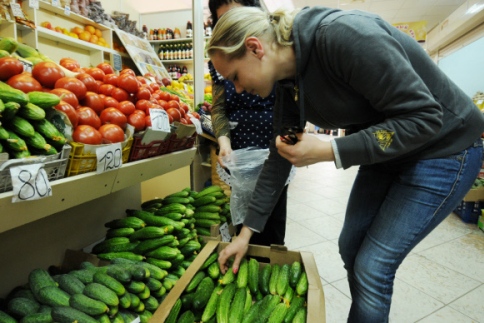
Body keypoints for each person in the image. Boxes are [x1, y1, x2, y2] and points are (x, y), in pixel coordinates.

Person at [207, 6, 484, 322]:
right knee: (351, 246)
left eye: (235, 77)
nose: (237, 90)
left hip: (445, 147)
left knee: (373, 266)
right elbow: (279, 158)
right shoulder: (287, 83)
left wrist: (330, 150)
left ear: (255, 48)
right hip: (391, 149)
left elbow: (425, 118)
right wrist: (245, 236)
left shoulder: (344, 35)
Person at [207, 0, 288, 247]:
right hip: (240, 151)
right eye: (222, 21)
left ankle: (270, 255)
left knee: (273, 214)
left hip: (275, 144)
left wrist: (299, 144)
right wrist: (224, 141)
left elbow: (294, 123)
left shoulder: (283, 65)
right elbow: (219, 107)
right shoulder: (221, 60)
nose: (239, 88)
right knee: (243, 211)